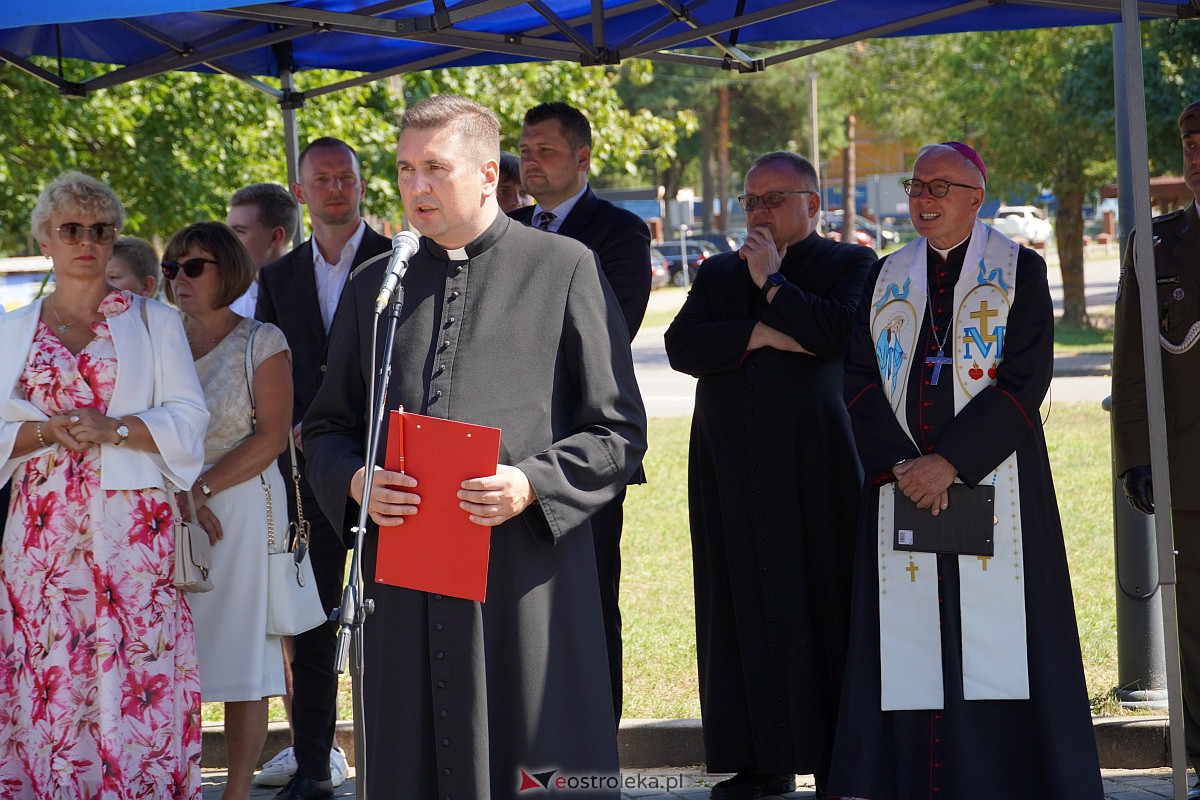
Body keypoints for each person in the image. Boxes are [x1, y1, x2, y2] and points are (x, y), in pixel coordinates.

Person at [302, 94, 646, 798]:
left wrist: (532, 484)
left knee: (530, 764)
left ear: (489, 173)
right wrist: (357, 478)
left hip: (522, 582)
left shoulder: (565, 268)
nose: (415, 187)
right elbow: (327, 426)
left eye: (434, 168)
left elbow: (619, 430)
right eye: (403, 170)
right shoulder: (379, 286)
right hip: (402, 587)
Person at [825, 142, 1103, 800]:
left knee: (999, 643)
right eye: (916, 186)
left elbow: (1024, 383)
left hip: (995, 485)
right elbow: (858, 380)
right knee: (910, 640)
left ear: (976, 199)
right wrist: (905, 468)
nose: (923, 198)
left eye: (938, 187)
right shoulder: (884, 274)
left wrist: (949, 462)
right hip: (903, 489)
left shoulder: (1020, 271)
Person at [664, 151, 873, 800]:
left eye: (775, 199)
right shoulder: (718, 272)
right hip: (731, 469)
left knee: (824, 602)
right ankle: (757, 760)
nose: (759, 212)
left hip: (817, 469)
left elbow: (839, 333)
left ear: (815, 204)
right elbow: (682, 346)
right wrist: (762, 333)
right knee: (738, 606)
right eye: (751, 200)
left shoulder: (850, 264)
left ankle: (836, 756)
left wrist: (775, 284)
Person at [0, 171, 209, 797]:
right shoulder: (11, 330)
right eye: (71, 229)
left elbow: (190, 420)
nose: (86, 241)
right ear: (45, 238)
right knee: (50, 674)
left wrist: (114, 427)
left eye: (100, 229)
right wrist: (46, 432)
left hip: (132, 531)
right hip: (41, 534)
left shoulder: (155, 323)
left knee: (136, 671)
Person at [255, 137, 391, 799]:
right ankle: (313, 766)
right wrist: (300, 425)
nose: (337, 188)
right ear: (302, 193)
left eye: (347, 177)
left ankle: (396, 761)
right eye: (323, 179)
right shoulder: (278, 278)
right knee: (309, 627)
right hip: (305, 481)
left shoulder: (398, 263)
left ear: (363, 186)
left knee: (390, 620)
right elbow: (273, 365)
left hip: (387, 469)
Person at [513, 101, 653, 718]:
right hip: (506, 455)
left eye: (545, 150)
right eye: (525, 151)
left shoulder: (618, 232)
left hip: (585, 448)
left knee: (592, 600)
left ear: (582, 157)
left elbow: (612, 331)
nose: (531, 162)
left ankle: (596, 749)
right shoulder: (504, 226)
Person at [162, 221, 293, 800]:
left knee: (247, 661)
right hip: (165, 507)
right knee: (165, 654)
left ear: (229, 272)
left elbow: (273, 435)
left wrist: (202, 492)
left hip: (239, 504)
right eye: (171, 268)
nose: (179, 278)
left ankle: (236, 791)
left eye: (194, 267)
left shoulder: (262, 339)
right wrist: (176, 497)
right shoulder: (155, 337)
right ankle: (174, 780)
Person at [1112, 99, 1200, 798]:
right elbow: (1133, 364)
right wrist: (1135, 455)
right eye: (1191, 144)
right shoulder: (1156, 245)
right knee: (1197, 623)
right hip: (1191, 469)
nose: (1197, 156)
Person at [227, 183, 301, 317]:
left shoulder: (307, 296)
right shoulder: (230, 304)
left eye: (239, 231)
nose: (228, 241)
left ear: (275, 237)